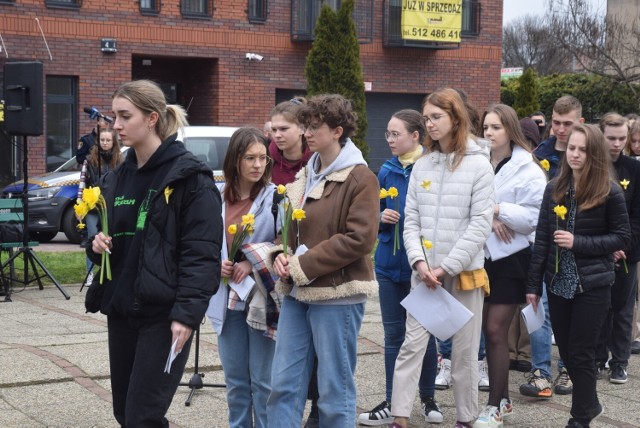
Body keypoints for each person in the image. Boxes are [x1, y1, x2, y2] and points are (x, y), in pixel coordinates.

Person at [88, 79, 222, 426]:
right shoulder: (117, 177)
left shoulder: (190, 177)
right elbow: (105, 233)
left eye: (124, 116)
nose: (115, 126)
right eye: (114, 116)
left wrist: (187, 315)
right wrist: (95, 243)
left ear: (151, 118)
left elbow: (201, 253)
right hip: (122, 309)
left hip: (163, 316)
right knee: (125, 413)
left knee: (142, 416)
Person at [267, 94, 379, 426]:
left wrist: (302, 265)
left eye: (315, 127)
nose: (308, 133)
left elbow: (360, 239)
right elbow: (289, 227)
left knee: (334, 390)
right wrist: (279, 254)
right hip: (298, 294)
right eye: (306, 126)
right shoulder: (307, 172)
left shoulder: (361, 177)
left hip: (338, 295)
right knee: (283, 385)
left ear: (338, 131)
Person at [389, 88, 494, 428]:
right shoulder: (423, 164)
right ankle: (399, 418)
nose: (429, 124)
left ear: (456, 118)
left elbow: (481, 224)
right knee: (412, 346)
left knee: (464, 355)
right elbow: (411, 221)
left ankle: (465, 418)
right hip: (426, 275)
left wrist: (446, 266)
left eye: (436, 117)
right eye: (427, 117)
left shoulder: (480, 164)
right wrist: (420, 264)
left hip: (463, 274)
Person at [526, 123, 631, 428]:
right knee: (569, 353)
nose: (575, 154)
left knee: (582, 353)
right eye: (571, 147)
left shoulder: (608, 191)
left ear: (594, 153)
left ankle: (580, 417)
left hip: (593, 283)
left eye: (582, 149)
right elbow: (543, 240)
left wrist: (578, 243)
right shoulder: (554, 188)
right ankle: (591, 403)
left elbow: (622, 237)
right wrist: (533, 285)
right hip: (558, 283)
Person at [357, 109, 443, 426]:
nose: (390, 139)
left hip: (421, 267)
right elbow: (371, 214)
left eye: (396, 134)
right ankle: (394, 402)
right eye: (388, 134)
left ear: (416, 137)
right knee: (394, 336)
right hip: (389, 266)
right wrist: (381, 220)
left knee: (424, 335)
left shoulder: (431, 168)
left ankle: (428, 397)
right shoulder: (386, 171)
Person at [474, 104, 546, 427]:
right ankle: (503, 401)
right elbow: (466, 202)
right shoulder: (476, 162)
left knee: (494, 329)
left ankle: (494, 405)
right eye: (486, 127)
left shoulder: (528, 168)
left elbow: (534, 217)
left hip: (511, 258)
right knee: (488, 333)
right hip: (480, 256)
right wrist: (491, 216)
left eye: (496, 128)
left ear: (510, 131)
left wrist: (499, 209)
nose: (489, 133)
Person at [206, 127, 281, 428]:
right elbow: (200, 242)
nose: (258, 165)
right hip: (226, 300)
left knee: (263, 383)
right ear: (235, 159)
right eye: (250, 158)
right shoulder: (215, 198)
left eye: (263, 158)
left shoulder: (276, 197)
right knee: (236, 382)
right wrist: (216, 263)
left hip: (262, 301)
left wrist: (253, 262)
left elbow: (286, 243)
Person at [520, 95, 585, 399]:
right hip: (543, 242)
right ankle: (541, 370)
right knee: (539, 306)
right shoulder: (538, 154)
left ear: (579, 123)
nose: (559, 129)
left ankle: (569, 368)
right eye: (555, 123)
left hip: (578, 246)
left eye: (567, 124)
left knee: (571, 311)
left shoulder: (586, 155)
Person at [594, 113, 640, 384]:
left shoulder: (633, 169)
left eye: (622, 138)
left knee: (623, 308)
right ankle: (598, 356)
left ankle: (619, 362)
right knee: (599, 306)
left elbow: (637, 214)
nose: (617, 144)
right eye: (611, 138)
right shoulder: (594, 165)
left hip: (627, 251)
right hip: (598, 249)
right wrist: (605, 245)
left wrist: (622, 245)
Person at [77, 127, 123, 285]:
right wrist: (79, 204)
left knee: (109, 239)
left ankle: (108, 270)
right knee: (92, 239)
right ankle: (90, 273)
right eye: (102, 140)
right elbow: (82, 183)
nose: (105, 143)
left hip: (111, 206)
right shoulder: (89, 160)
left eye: (108, 140)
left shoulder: (120, 160)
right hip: (92, 206)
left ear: (113, 142)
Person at [269, 98, 313, 186]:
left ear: (302, 129)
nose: (277, 135)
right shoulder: (266, 162)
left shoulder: (317, 162)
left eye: (283, 129)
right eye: (274, 130)